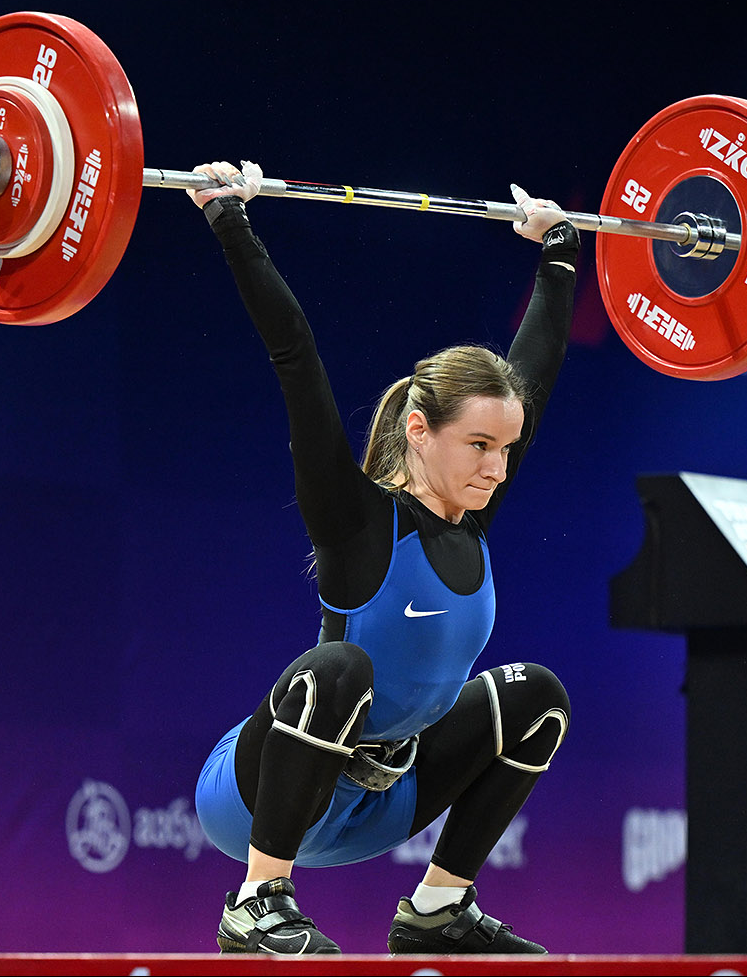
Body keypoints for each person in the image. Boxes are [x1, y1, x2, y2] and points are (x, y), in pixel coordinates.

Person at [188, 159, 578, 956]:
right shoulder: (356, 520)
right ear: (418, 431)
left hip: (381, 803)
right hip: (260, 798)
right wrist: (230, 219)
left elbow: (535, 369)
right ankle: (258, 903)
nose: (498, 467)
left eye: (507, 448)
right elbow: (295, 355)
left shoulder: (473, 512)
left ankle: (438, 911)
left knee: (538, 698)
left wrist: (561, 249)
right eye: (479, 445)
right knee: (340, 669)